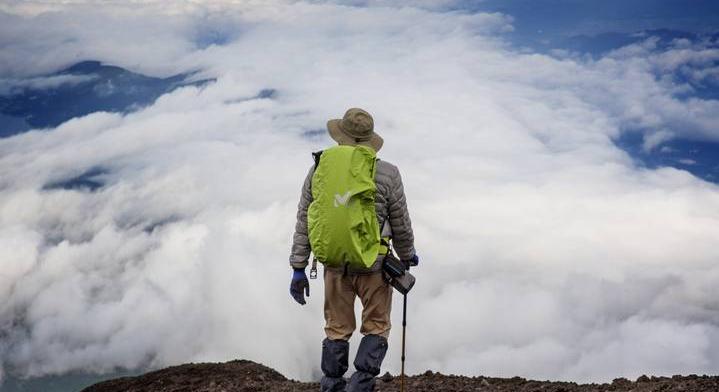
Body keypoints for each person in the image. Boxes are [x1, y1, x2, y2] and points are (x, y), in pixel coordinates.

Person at [289, 108, 418, 392]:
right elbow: (400, 222)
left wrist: (299, 267)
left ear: (341, 137)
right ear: (370, 140)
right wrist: (407, 256)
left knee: (336, 328)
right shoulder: (387, 173)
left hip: (334, 265)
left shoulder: (319, 169)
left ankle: (332, 385)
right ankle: (360, 385)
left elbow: (306, 218)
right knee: (376, 326)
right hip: (375, 265)